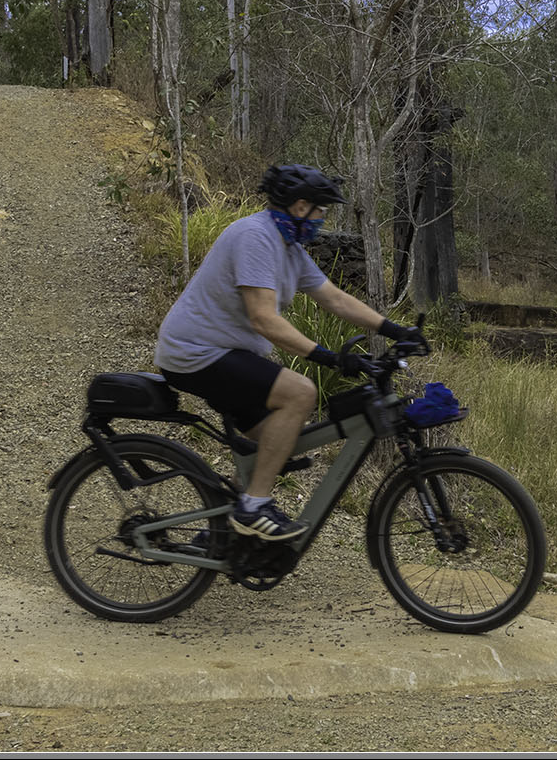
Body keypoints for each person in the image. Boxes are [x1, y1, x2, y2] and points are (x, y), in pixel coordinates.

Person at [153, 163, 427, 542]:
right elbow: (264, 319)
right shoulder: (255, 237)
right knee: (300, 393)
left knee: (277, 442)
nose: (322, 220)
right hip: (195, 353)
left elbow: (333, 297)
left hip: (223, 353)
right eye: (320, 211)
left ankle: (224, 529)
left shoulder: (288, 248)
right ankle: (252, 507)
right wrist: (328, 357)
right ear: (300, 207)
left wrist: (394, 329)